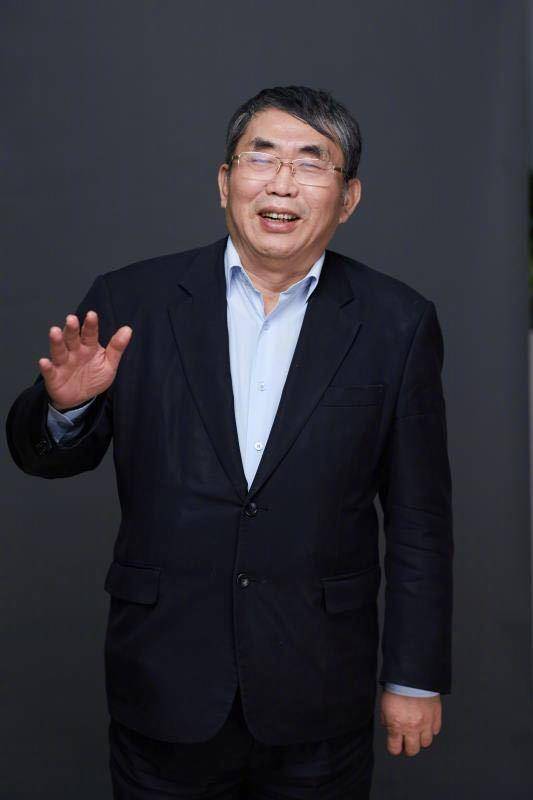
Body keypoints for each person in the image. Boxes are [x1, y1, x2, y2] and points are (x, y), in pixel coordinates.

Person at [6, 85, 453, 798]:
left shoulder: (396, 322)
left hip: (318, 685)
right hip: (164, 678)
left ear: (348, 198)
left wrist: (413, 675)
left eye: (311, 162)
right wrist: (68, 407)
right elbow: (44, 457)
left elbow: (419, 518)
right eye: (261, 157)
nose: (282, 183)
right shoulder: (132, 300)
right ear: (224, 182)